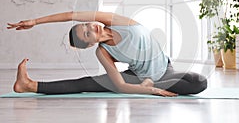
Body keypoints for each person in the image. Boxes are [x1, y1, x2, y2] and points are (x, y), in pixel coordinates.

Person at [7, 11, 207, 96]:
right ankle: (29, 85)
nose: (91, 27)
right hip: (138, 78)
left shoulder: (113, 20)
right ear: (90, 44)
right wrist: (149, 90)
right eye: (87, 34)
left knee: (199, 82)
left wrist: (35, 21)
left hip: (165, 70)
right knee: (86, 83)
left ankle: (154, 82)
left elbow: (70, 15)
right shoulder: (103, 52)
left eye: (86, 25)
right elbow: (121, 85)